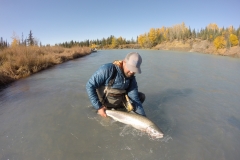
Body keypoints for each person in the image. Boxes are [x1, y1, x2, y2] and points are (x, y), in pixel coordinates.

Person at [86, 52, 146, 117]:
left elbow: (135, 98)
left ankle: (123, 112)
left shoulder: (131, 78)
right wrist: (99, 107)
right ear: (124, 62)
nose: (131, 72)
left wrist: (143, 117)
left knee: (141, 97)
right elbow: (89, 86)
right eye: (130, 68)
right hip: (104, 105)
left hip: (119, 102)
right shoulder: (108, 69)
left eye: (134, 70)